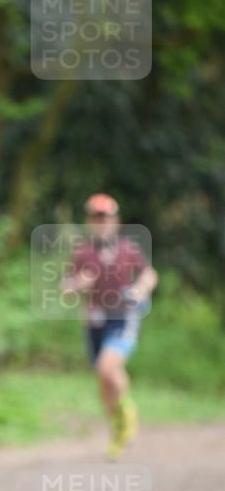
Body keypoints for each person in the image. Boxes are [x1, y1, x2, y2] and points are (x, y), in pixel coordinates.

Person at [62, 193, 158, 459]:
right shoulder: (83, 252)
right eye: (96, 217)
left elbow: (149, 274)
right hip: (94, 322)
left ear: (116, 220)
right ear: (89, 221)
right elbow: (66, 287)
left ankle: (127, 416)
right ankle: (119, 427)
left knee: (108, 367)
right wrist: (78, 283)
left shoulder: (128, 249)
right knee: (105, 382)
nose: (102, 222)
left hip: (123, 316)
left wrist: (140, 289)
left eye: (106, 217)